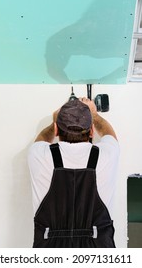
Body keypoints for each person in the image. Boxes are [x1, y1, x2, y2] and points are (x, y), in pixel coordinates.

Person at [27, 97, 119, 248]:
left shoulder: (38, 155)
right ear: (91, 131)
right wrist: (94, 115)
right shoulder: (106, 155)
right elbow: (110, 136)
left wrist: (54, 121)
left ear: (57, 130)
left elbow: (42, 139)